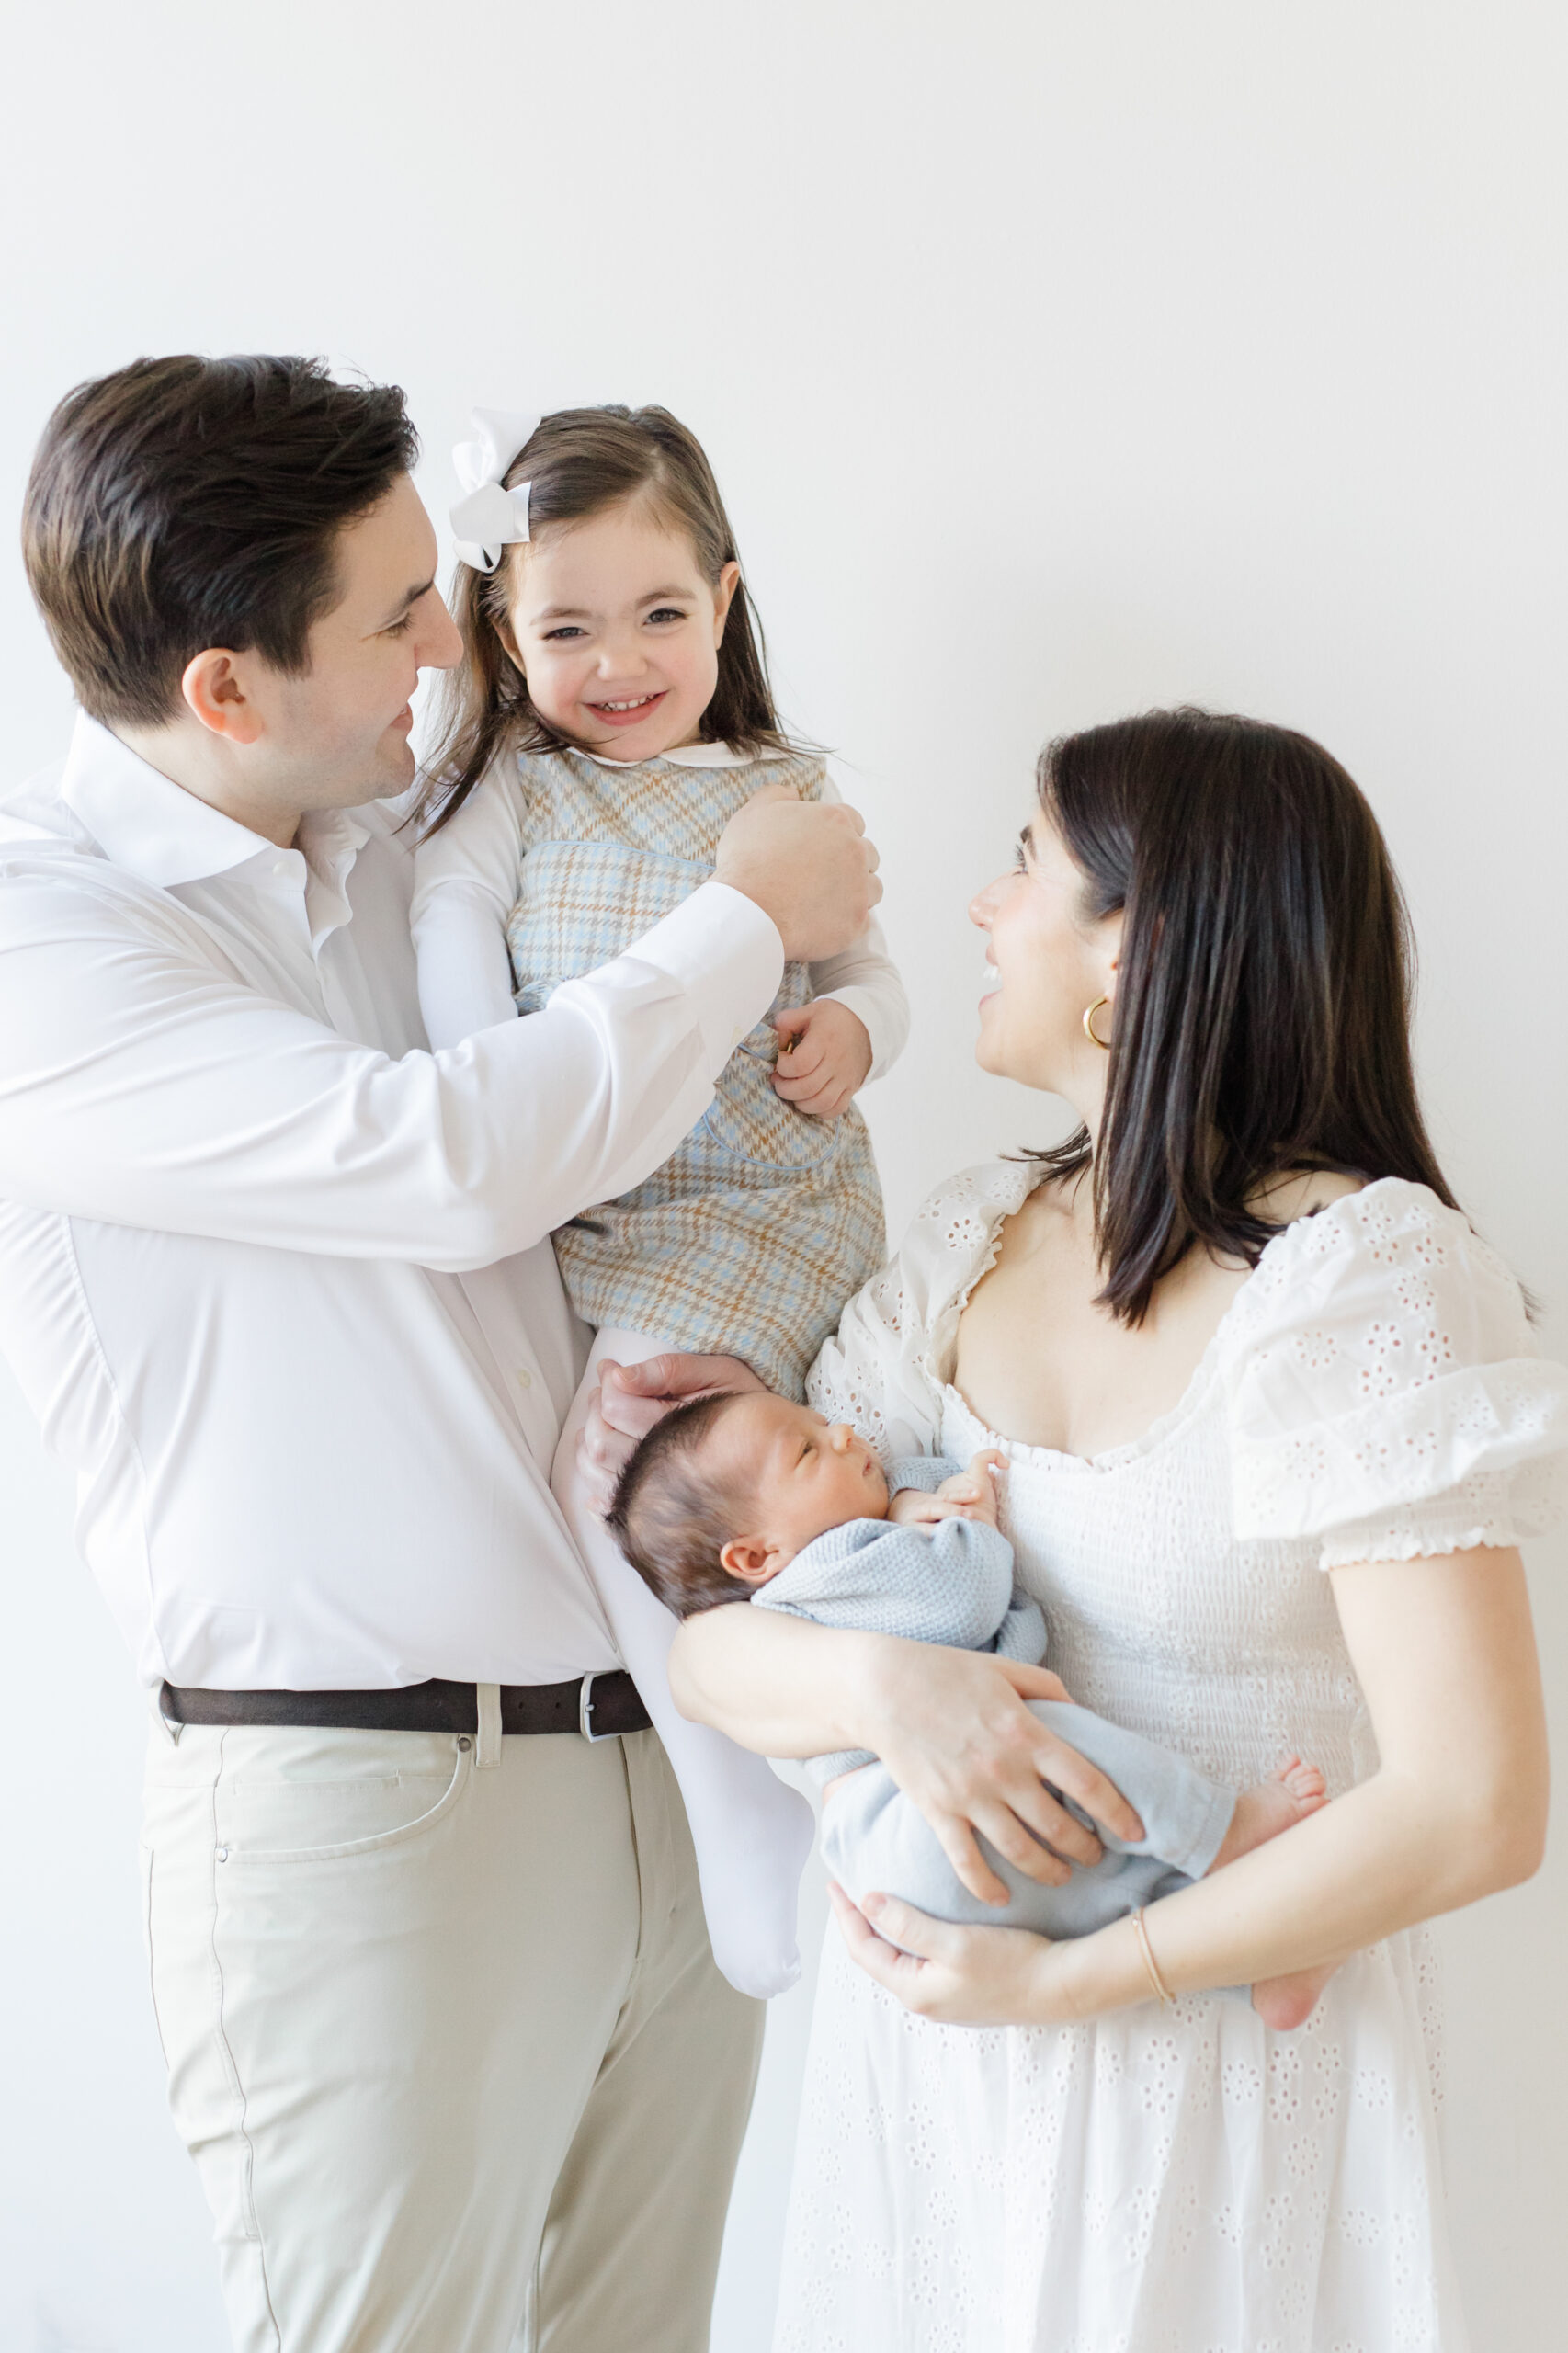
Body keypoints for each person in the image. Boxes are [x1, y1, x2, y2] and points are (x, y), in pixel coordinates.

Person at [0, 353, 881, 2353]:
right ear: (226, 689)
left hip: (650, 1742)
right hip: (365, 1800)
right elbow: (457, 1160)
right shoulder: (45, 943)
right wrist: (748, 921)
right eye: (407, 614)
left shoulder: (406, 833)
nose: (456, 642)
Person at [585, 709, 1565, 2349]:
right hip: (934, 2076)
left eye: (1023, 864)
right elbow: (721, 1653)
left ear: (1143, 943)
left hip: (1219, 2066)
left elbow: (1478, 1808)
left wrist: (1066, 1983)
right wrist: (894, 1697)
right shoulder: (967, 1242)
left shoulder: (1365, 1280)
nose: (976, 907)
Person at [408, 403, 908, 1996]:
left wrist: (858, 1029)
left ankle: (764, 1815)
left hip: (767, 1198)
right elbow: (446, 929)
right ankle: (832, 1789)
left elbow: (872, 969)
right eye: (566, 627)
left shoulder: (781, 786)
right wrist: (486, 1081)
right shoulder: (518, 791)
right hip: (622, 1214)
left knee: (624, 1465)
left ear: (728, 601)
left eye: (661, 616)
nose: (618, 663)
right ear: (505, 627)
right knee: (747, 1514)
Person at [606, 1387, 1331, 2026]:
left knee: (1089, 1894)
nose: (843, 1436)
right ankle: (1218, 1826)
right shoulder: (832, 1563)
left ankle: (1254, 1974)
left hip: (888, 1869)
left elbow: (902, 1527)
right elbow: (960, 1598)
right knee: (1045, 1736)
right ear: (755, 1558)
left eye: (821, 1422)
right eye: (806, 1451)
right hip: (913, 1806)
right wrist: (972, 1520)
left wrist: (906, 1501)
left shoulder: (804, 1593)